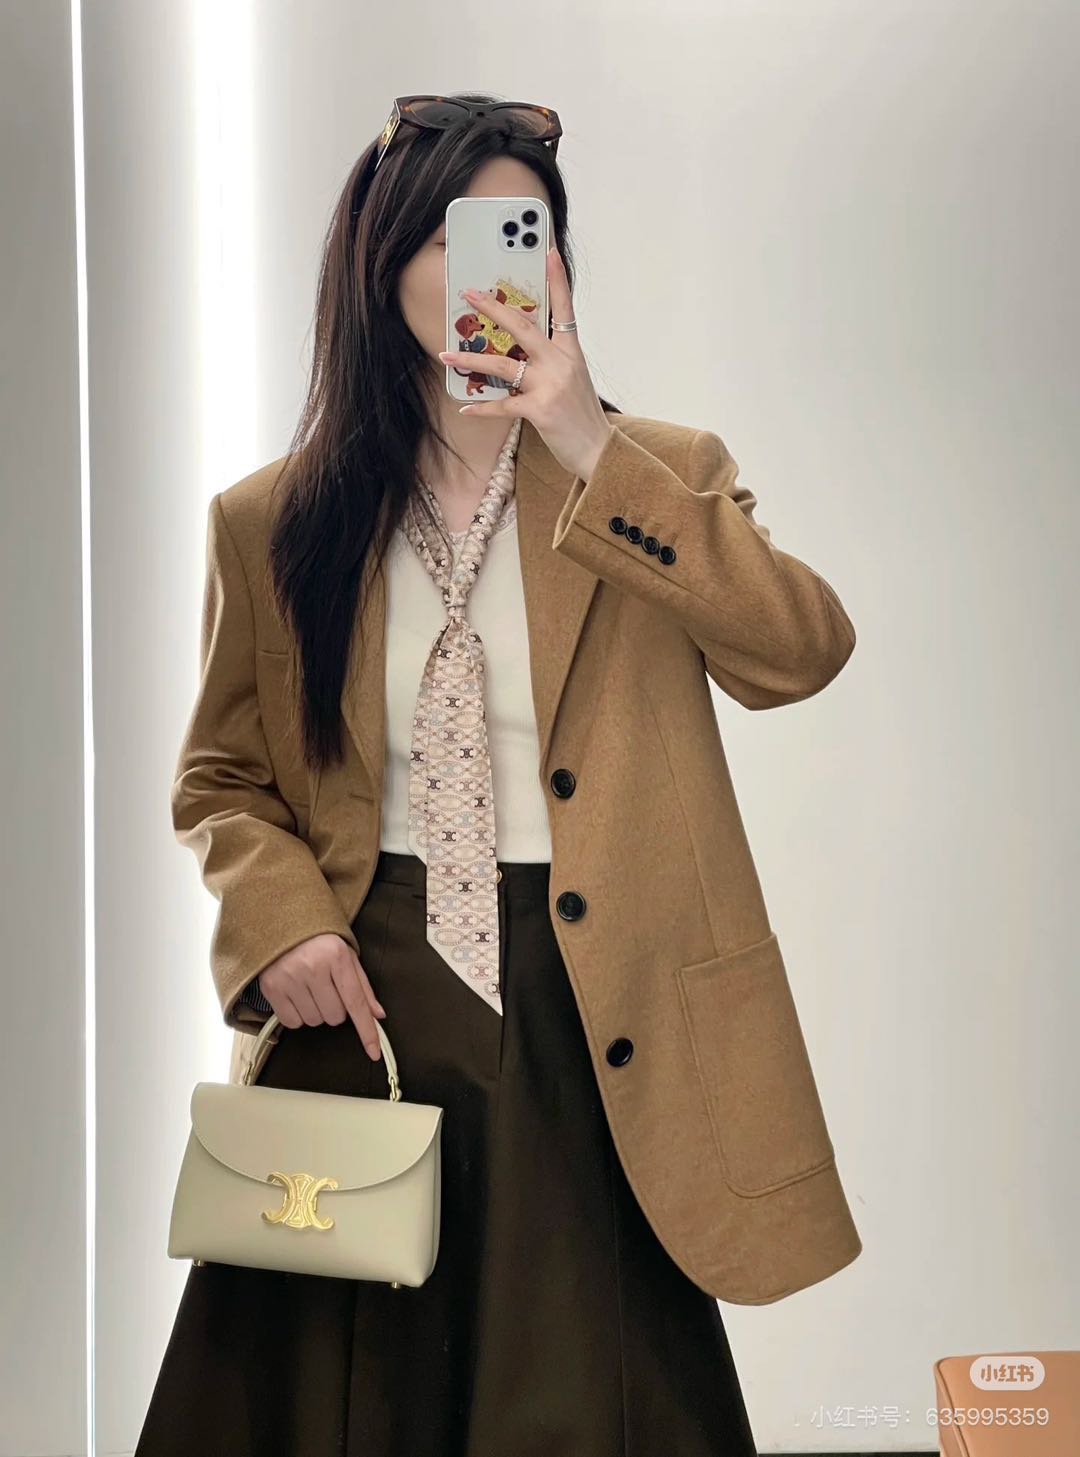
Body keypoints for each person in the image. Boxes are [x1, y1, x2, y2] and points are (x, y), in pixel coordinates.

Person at [136, 91, 861, 1455]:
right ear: (383, 262)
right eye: (456, 238)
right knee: (343, 1401)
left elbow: (800, 650)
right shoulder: (276, 519)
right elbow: (223, 775)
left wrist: (589, 443)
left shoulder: (657, 479)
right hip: (365, 998)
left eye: (525, 236)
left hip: (594, 1004)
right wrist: (279, 919)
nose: (496, 271)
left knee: (591, 1391)